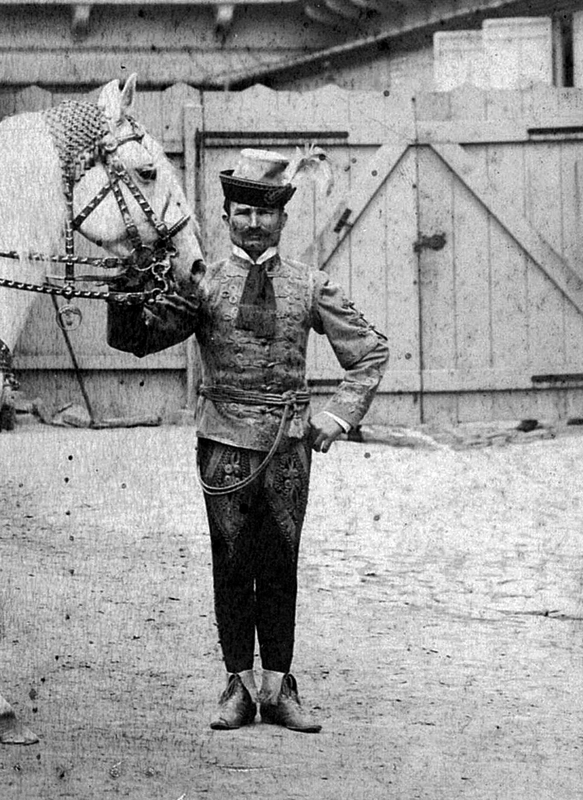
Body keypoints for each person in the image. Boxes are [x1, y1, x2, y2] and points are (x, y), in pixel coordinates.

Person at [193, 148, 388, 733]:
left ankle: (279, 687)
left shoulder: (309, 284)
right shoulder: (201, 285)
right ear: (226, 216)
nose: (254, 224)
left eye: (266, 214)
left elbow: (369, 352)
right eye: (243, 212)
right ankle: (238, 687)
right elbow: (141, 337)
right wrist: (134, 294)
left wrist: (340, 415)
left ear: (283, 219)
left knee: (280, 562)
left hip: (286, 449)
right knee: (230, 564)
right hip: (222, 446)